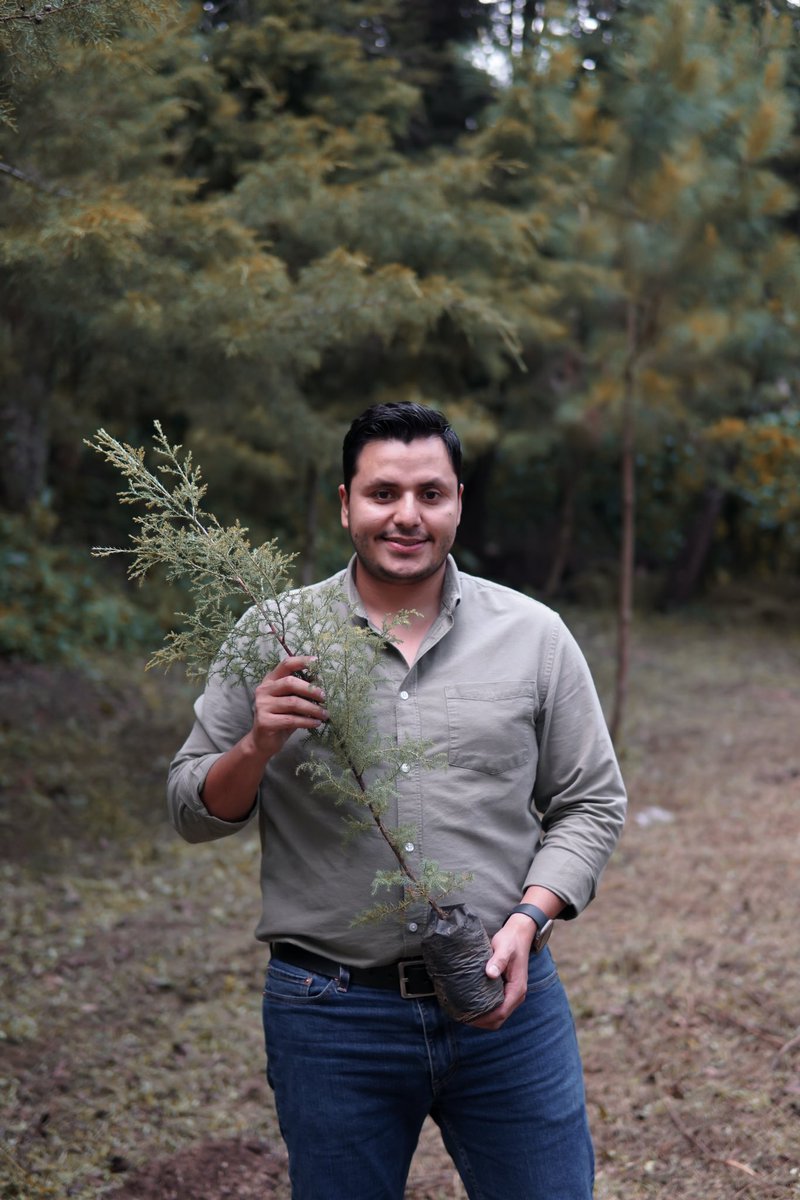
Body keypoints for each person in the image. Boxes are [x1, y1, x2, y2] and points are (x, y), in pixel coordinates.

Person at [167, 402, 627, 1200]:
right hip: (331, 1014)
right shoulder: (271, 636)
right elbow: (190, 807)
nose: (407, 516)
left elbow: (590, 800)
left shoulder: (534, 635)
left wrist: (530, 920)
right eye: (383, 494)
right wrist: (256, 745)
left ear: (457, 502)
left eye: (431, 493)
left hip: (506, 1003)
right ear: (345, 503)